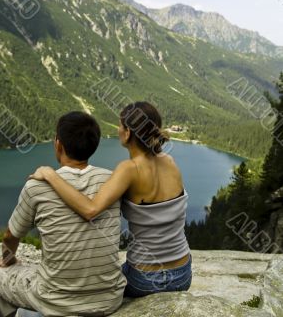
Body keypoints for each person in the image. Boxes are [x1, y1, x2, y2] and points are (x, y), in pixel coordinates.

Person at [30, 102, 192, 298]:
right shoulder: (170, 162)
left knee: (97, 290)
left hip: (145, 279)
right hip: (183, 274)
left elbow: (90, 210)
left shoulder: (129, 169)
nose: (118, 129)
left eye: (120, 125)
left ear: (128, 133)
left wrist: (50, 175)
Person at [0, 111, 126, 317]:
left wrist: (8, 260)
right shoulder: (112, 181)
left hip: (57, 301)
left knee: (1, 275)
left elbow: (10, 236)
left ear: (58, 144)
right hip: (109, 299)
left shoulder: (36, 186)